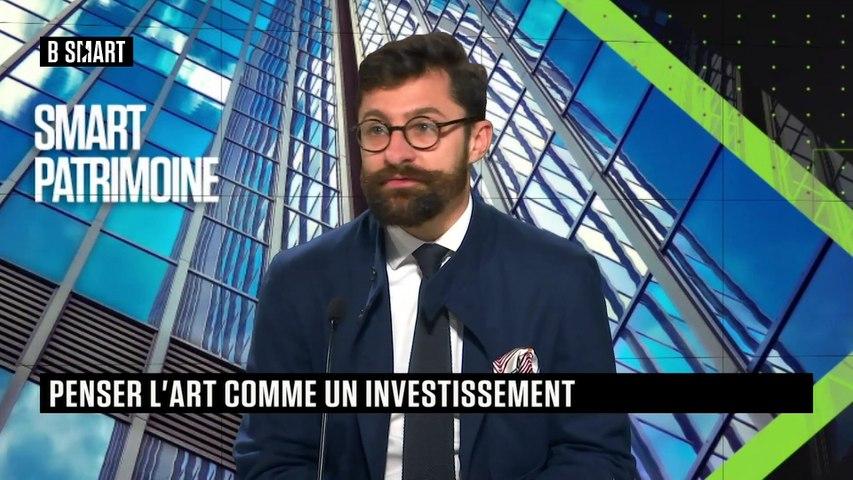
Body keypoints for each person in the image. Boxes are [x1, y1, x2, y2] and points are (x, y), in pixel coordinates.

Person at [234, 32, 637, 480]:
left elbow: (595, 456)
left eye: (424, 127)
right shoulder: (301, 280)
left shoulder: (560, 276)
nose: (395, 153)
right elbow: (270, 460)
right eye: (376, 130)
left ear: (477, 140)